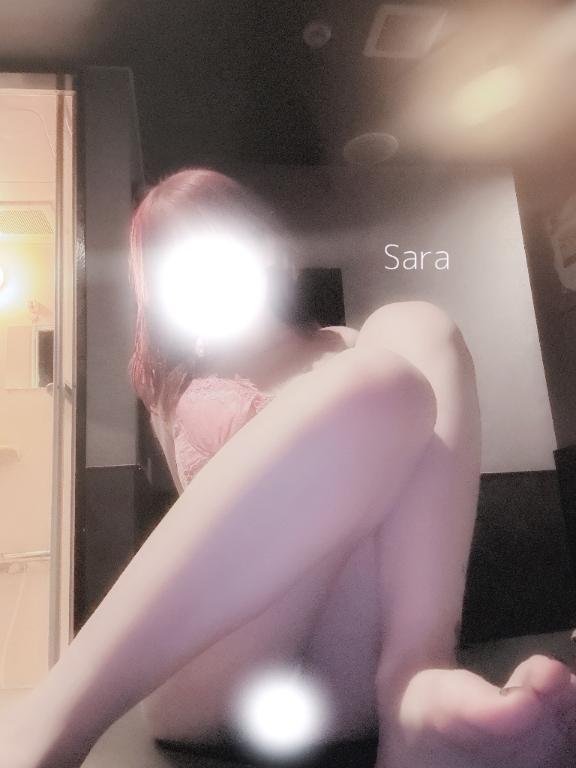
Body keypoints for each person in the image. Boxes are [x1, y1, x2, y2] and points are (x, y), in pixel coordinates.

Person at [2, 168, 575, 768]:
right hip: (222, 677)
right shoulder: (179, 387)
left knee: (415, 323)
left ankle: (417, 675)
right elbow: (207, 530)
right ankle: (46, 725)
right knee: (379, 385)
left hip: (348, 680)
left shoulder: (361, 347)